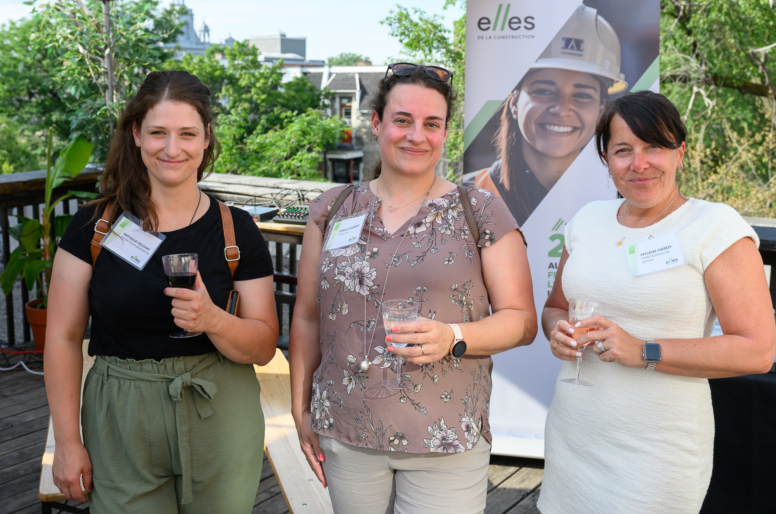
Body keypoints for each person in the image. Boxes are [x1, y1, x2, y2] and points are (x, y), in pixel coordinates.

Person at [289, 63, 537, 514]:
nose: (416, 136)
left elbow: (521, 322)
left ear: (444, 133)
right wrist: (300, 408)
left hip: (445, 438)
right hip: (346, 433)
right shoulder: (332, 209)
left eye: (432, 124)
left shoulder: (480, 211)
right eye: (402, 120)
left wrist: (454, 337)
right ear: (377, 123)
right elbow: (307, 314)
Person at [45, 70, 279, 513]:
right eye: (158, 133)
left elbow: (264, 346)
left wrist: (213, 319)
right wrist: (67, 440)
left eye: (187, 133)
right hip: (121, 416)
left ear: (207, 138)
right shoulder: (95, 226)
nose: (172, 149)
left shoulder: (237, 231)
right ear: (135, 134)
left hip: (220, 410)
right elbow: (61, 335)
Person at [538, 90, 776, 514]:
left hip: (657, 451)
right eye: (623, 150)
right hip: (574, 436)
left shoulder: (713, 226)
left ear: (680, 152)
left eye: (655, 147)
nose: (639, 163)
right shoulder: (587, 220)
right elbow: (556, 305)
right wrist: (556, 330)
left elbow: (757, 350)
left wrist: (643, 350)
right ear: (606, 160)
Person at [464, 4, 627, 226]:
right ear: (514, 103)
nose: (561, 109)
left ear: (601, 109)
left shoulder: (623, 196)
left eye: (582, 95)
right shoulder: (467, 195)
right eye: (544, 91)